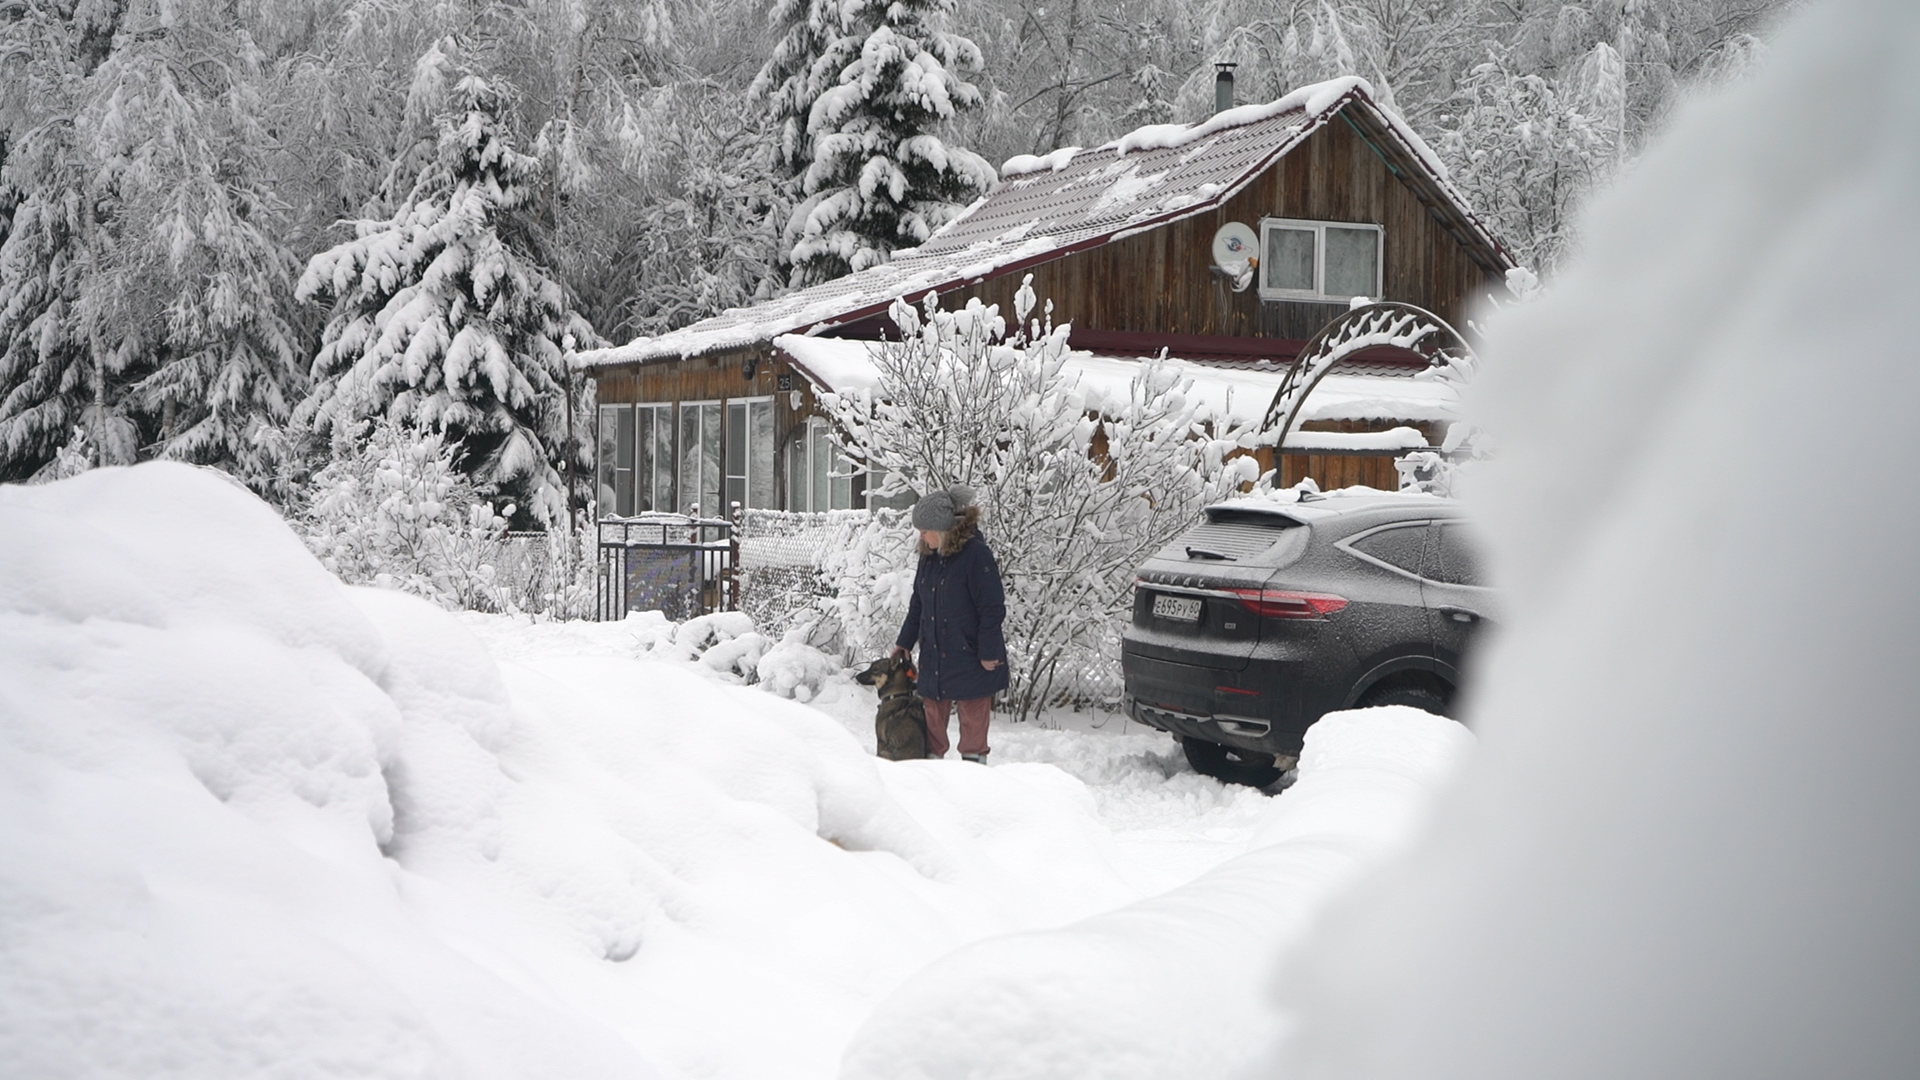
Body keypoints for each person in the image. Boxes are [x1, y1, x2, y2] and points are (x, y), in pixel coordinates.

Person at [891, 485, 1008, 762]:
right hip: (935, 654)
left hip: (971, 654)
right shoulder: (928, 558)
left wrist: (988, 652)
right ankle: (933, 779)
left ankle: (973, 775)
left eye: (925, 529)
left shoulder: (976, 556)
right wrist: (904, 642)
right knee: (931, 726)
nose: (921, 534)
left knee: (973, 726)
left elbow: (991, 608)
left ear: (942, 528)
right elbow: (918, 603)